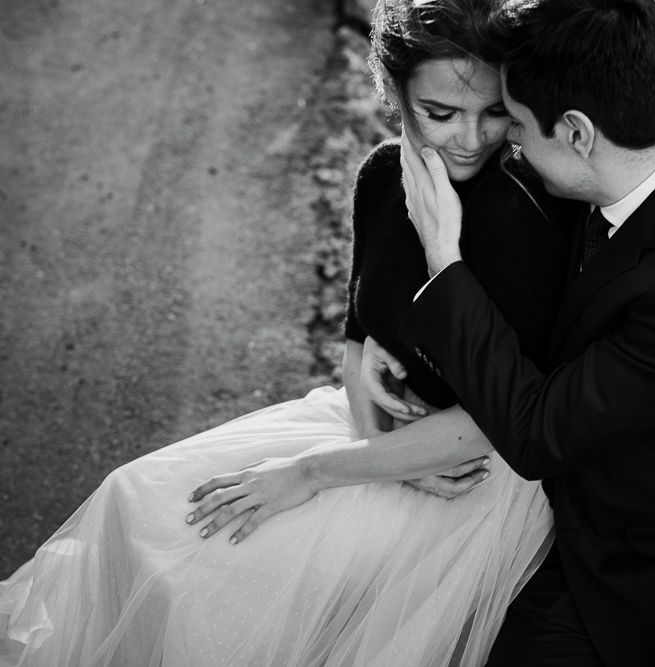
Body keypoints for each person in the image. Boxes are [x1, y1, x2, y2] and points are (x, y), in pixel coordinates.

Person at [0, 1, 583, 665]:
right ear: (393, 95)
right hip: (373, 437)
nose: (471, 138)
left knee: (210, 586)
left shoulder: (524, 215)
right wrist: (369, 445)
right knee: (132, 500)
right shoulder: (380, 176)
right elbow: (357, 336)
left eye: (494, 112)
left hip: (471, 478)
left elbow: (496, 423)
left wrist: (314, 473)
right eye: (440, 113)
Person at [390, 0, 655, 665]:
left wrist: (442, 256)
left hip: (639, 574)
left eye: (513, 122)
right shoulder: (633, 173)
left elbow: (538, 431)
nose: (504, 143)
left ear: (576, 132)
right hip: (549, 507)